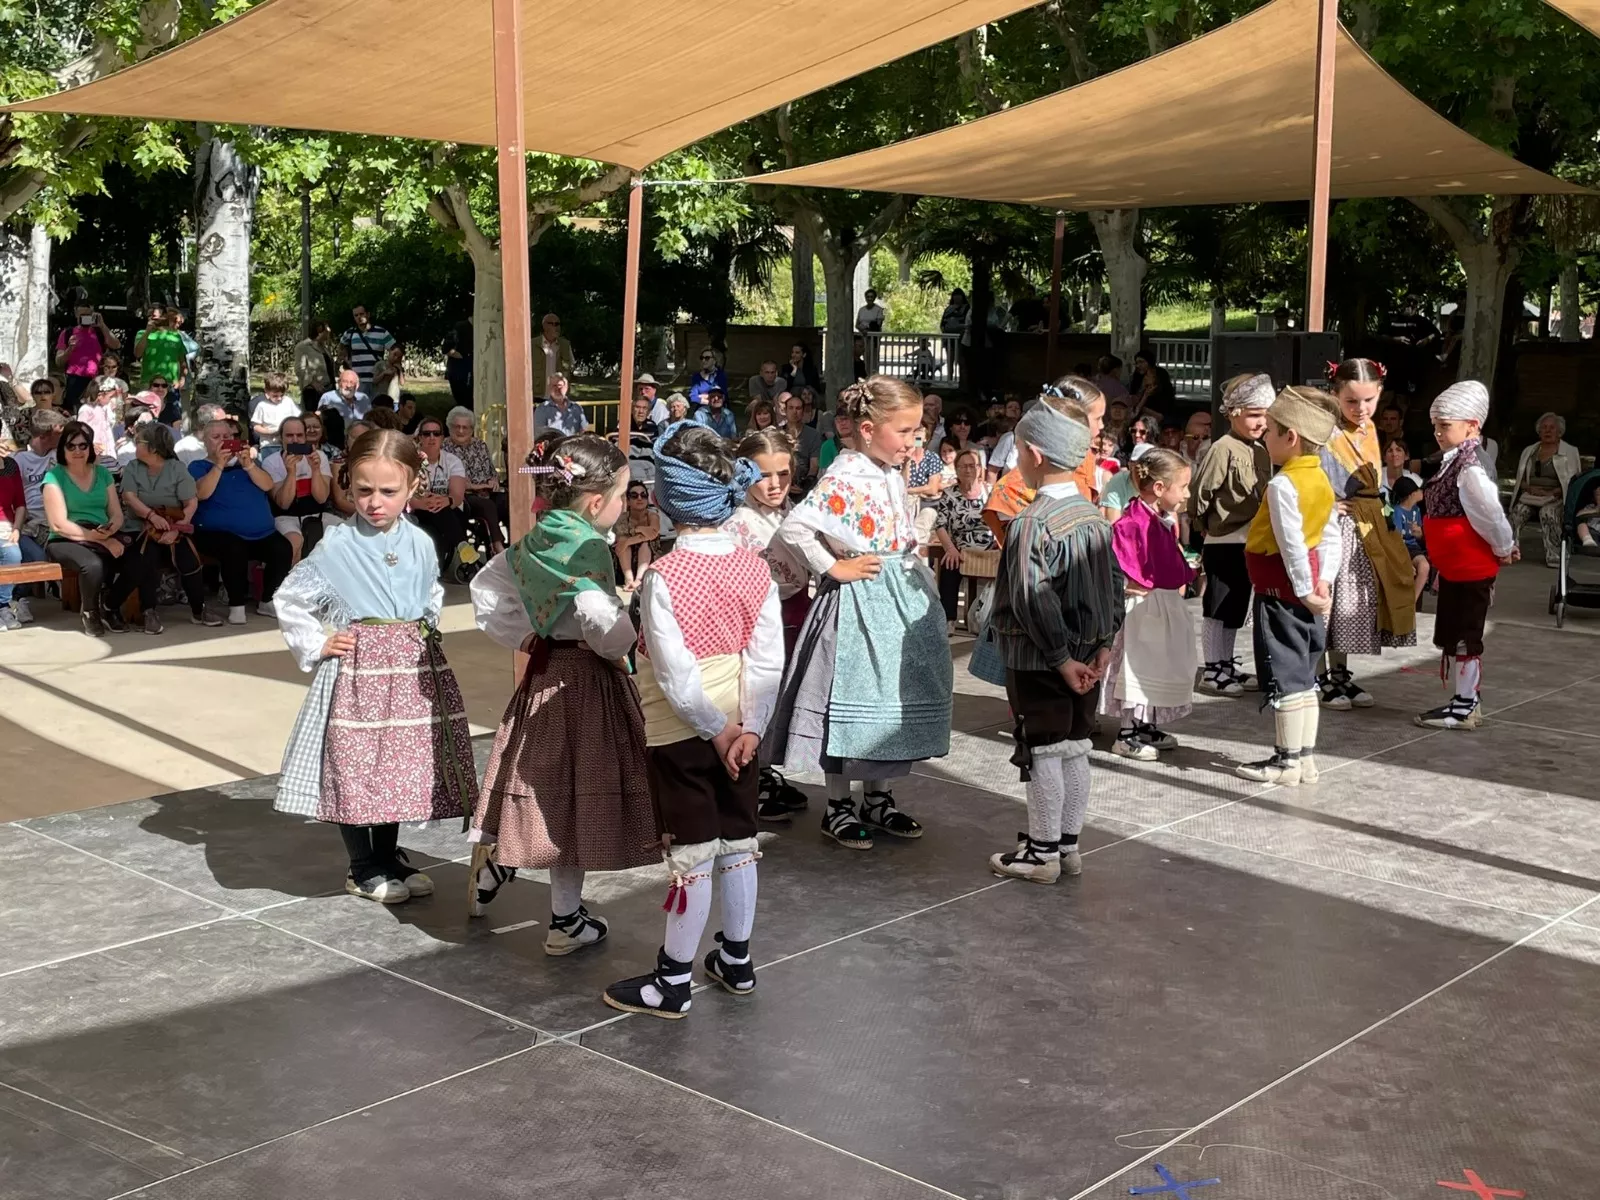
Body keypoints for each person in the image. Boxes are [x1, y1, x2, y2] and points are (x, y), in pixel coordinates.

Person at [602, 423, 783, 1019]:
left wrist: (716, 729)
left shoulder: (661, 578)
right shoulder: (754, 567)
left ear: (666, 498)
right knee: (739, 842)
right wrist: (748, 728)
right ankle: (737, 960)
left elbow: (676, 676)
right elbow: (765, 657)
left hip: (684, 732)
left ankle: (672, 980)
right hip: (741, 727)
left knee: (693, 854)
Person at [272, 429, 477, 904]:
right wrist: (320, 641)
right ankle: (361, 864)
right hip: (359, 670)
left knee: (398, 763)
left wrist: (423, 631)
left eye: (388, 491)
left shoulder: (421, 543)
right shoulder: (338, 545)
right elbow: (290, 597)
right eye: (364, 491)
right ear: (349, 486)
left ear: (412, 488)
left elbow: (430, 592)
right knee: (356, 762)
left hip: (410, 667)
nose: (375, 502)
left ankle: (387, 855)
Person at [467, 432, 655, 943]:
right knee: (576, 801)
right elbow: (601, 619)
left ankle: (500, 865)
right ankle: (565, 921)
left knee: (543, 786)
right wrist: (628, 630)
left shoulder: (536, 537)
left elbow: (486, 589)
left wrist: (526, 636)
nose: (625, 504)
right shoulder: (588, 545)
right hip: (588, 682)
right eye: (623, 495)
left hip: (546, 679)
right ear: (597, 502)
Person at [767, 377, 952, 850]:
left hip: (894, 596)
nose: (915, 441)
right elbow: (797, 525)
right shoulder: (847, 473)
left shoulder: (887, 470)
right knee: (847, 697)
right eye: (906, 431)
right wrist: (834, 566)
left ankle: (878, 797)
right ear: (868, 429)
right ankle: (838, 805)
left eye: (917, 432)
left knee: (887, 701)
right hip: (858, 601)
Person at [984, 390, 1122, 884]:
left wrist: (1061, 658)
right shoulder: (1094, 516)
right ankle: (1067, 846)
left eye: (1018, 452)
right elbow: (1114, 583)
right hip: (1090, 656)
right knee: (1076, 745)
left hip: (1041, 658)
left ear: (1034, 455)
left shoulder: (1030, 523)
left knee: (1043, 749)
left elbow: (1030, 597)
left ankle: (1040, 852)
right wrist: (1104, 643)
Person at [1235, 387, 1342, 786]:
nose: (1264, 436)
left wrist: (1304, 590)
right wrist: (1324, 582)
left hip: (1283, 596)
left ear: (1291, 437)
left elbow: (1291, 543)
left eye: (1271, 430)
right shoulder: (1321, 479)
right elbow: (1330, 537)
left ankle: (1285, 761)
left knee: (1284, 678)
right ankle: (1304, 759)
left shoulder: (1282, 485)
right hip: (1310, 592)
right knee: (1305, 676)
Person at [1415, 381, 1518, 731]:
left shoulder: (1471, 466)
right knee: (1455, 632)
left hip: (1470, 566)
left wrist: (1504, 547)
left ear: (1472, 425)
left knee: (1466, 635)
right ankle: (1464, 700)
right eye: (1436, 426)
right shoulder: (1455, 461)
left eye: (1445, 425)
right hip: (1456, 567)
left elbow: (1490, 514)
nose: (1438, 432)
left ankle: (1465, 704)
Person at [1317, 358, 1417, 710]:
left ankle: (1340, 673)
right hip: (1336, 525)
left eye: (1369, 401)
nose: (1361, 409)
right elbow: (1312, 479)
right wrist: (1328, 505)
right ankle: (1318, 676)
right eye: (1352, 401)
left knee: (1353, 603)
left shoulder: (1371, 430)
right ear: (1335, 395)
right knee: (1329, 599)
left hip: (1369, 522)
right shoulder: (1325, 431)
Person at [724, 428, 813, 823]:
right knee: (753, 695)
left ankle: (766, 769)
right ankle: (748, 777)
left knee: (781, 696)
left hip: (794, 610)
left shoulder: (792, 511)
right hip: (755, 619)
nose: (775, 484)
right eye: (764, 475)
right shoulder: (735, 521)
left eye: (783, 474)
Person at [1101, 448, 1197, 760]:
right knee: (1137, 669)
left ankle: (1145, 724)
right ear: (1159, 488)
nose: (1186, 494)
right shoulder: (1133, 523)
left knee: (1159, 665)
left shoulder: (1161, 520)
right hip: (1143, 607)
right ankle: (1128, 732)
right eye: (1182, 486)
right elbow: (1128, 565)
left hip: (1161, 604)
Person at [1189, 373, 1272, 696]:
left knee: (1236, 607)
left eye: (1265, 415)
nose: (1260, 422)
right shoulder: (1222, 448)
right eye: (1253, 415)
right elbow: (1200, 493)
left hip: (1250, 540)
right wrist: (1202, 527)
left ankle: (1225, 664)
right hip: (1222, 539)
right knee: (1217, 606)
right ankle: (1212, 669)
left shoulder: (1262, 451)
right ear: (1233, 413)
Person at [41, 420, 143, 637]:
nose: (78, 450)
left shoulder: (103, 473)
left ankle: (110, 606)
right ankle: (90, 612)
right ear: (62, 449)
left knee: (139, 561)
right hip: (64, 539)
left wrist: (111, 529)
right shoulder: (54, 476)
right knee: (93, 565)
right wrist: (100, 539)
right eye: (71, 446)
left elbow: (116, 513)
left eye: (83, 445)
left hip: (101, 532)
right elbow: (58, 523)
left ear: (90, 448)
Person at [190, 416, 295, 624]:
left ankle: (267, 600)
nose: (223, 440)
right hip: (216, 534)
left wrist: (248, 465)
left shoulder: (249, 464)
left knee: (282, 548)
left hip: (260, 533)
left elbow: (267, 485)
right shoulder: (198, 466)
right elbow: (201, 493)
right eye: (217, 437)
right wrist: (219, 465)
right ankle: (236, 605)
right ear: (206, 441)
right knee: (234, 548)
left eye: (228, 436)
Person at [119, 421, 221, 631]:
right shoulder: (132, 467)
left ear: (153, 448)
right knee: (149, 555)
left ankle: (198, 608)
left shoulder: (177, 468)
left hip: (173, 523)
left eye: (138, 442)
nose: (134, 445)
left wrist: (178, 528)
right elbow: (129, 497)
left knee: (188, 556)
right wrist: (150, 516)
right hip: (140, 527)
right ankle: (149, 610)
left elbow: (190, 502)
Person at [930, 446, 997, 629]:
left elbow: (1001, 521)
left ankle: (992, 619)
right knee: (949, 563)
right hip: (961, 550)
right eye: (963, 466)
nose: (968, 469)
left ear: (979, 468)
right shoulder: (950, 494)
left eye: (972, 465)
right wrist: (950, 548)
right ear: (957, 469)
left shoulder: (991, 492)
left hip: (990, 548)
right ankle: (949, 620)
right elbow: (940, 525)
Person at [1509, 412, 1581, 568]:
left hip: (1556, 496)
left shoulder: (1570, 451)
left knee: (1547, 513)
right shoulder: (1529, 451)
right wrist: (1530, 488)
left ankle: (1555, 554)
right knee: (1517, 512)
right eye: (1544, 428)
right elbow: (1520, 480)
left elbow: (1572, 482)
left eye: (1552, 428)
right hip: (1532, 495)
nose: (1548, 431)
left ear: (1559, 432)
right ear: (1539, 431)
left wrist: (1552, 493)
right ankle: (1509, 550)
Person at [264, 414, 333, 564]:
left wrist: (315, 470)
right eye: (289, 436)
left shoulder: (319, 457)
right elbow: (283, 504)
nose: (295, 440)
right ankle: (291, 584)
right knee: (294, 542)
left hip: (317, 512)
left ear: (305, 437)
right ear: (281, 438)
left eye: (299, 435)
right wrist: (291, 472)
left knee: (345, 534)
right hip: (286, 516)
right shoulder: (271, 462)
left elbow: (321, 498)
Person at [411, 415, 471, 575]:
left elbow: (457, 495)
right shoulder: (411, 461)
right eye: (426, 433)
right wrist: (425, 503)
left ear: (442, 438)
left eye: (436, 433)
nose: (432, 437)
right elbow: (409, 496)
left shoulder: (452, 461)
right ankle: (462, 544)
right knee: (433, 522)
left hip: (448, 508)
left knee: (438, 524)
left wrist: (445, 501)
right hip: (419, 509)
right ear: (420, 438)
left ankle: (435, 573)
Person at [446, 406, 505, 555]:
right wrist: (481, 486)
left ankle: (518, 543)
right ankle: (497, 546)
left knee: (508, 501)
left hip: (487, 492)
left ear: (472, 429)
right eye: (457, 427)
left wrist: (493, 481)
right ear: (450, 427)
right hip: (465, 496)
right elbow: (456, 482)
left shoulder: (480, 445)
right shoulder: (445, 448)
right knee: (487, 505)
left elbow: (492, 472)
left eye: (465, 427)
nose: (460, 431)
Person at [55, 299, 120, 406]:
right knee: (75, 410)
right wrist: (70, 349)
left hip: (98, 379)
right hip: (74, 380)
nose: (85, 318)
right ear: (76, 314)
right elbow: (59, 361)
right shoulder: (68, 333)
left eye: (88, 315)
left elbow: (116, 345)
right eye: (82, 315)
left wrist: (102, 325)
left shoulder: (99, 332)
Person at [1389, 477, 1431, 605]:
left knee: (1424, 567)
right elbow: (1397, 539)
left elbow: (1417, 536)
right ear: (1412, 494)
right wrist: (1405, 561)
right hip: (1401, 548)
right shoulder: (1397, 511)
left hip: (1413, 547)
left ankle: (1412, 602)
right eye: (1419, 490)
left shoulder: (1416, 510)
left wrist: (1419, 533)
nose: (1421, 492)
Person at [613, 479, 661, 590]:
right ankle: (629, 579)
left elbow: (653, 533)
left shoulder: (652, 515)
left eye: (643, 495)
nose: (639, 498)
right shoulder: (623, 518)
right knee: (624, 540)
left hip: (649, 556)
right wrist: (642, 533)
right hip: (625, 560)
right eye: (634, 495)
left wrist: (635, 533)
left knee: (644, 543)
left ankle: (639, 580)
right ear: (628, 501)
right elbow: (620, 546)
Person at [133, 306, 187, 406]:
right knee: (146, 416)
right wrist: (148, 331)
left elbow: (182, 361)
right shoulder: (141, 333)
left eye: (154, 316)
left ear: (164, 317)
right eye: (149, 316)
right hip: (148, 382)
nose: (151, 318)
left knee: (171, 417)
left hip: (170, 384)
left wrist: (182, 379)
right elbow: (137, 354)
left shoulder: (176, 335)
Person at [338, 305, 397, 393]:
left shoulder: (382, 332)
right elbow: (341, 348)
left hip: (378, 380)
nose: (359, 317)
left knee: (377, 406)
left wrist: (391, 367)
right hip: (357, 381)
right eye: (356, 315)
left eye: (361, 314)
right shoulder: (349, 333)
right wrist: (347, 361)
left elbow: (396, 351)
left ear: (368, 314)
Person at [77, 375, 125, 470]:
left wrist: (119, 396)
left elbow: (118, 415)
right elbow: (80, 430)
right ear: (99, 395)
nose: (112, 400)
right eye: (110, 397)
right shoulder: (86, 409)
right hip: (94, 446)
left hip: (106, 444)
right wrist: (91, 443)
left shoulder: (105, 408)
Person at [779, 392, 821, 487]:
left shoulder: (813, 434)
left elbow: (814, 465)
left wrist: (805, 483)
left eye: (798, 408)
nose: (795, 412)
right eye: (791, 408)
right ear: (785, 410)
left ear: (803, 411)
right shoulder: (777, 434)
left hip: (803, 481)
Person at [292, 320, 336, 411]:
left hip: (329, 389)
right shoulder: (303, 347)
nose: (329, 331)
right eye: (327, 329)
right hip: (313, 392)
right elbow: (299, 369)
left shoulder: (324, 348)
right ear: (319, 331)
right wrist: (312, 382)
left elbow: (329, 367)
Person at [250, 372, 302, 447]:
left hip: (288, 444)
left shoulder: (288, 401)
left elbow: (297, 419)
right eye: (275, 396)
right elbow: (256, 426)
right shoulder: (262, 406)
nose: (279, 398)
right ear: (267, 391)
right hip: (269, 444)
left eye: (282, 395)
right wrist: (269, 432)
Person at [532, 313, 575, 400]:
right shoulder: (532, 344)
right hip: (537, 396)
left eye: (558, 324)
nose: (557, 327)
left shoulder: (565, 345)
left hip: (558, 396)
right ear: (544, 326)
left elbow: (571, 366)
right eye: (553, 324)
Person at [533, 372, 587, 437]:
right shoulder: (542, 409)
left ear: (566, 387)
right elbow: (539, 434)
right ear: (549, 388)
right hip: (554, 446)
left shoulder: (576, 408)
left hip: (573, 445)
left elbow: (584, 431)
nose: (557, 389)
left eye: (560, 385)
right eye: (554, 386)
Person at [442, 319, 473, 408]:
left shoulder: (482, 327)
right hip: (459, 372)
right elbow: (446, 349)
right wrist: (464, 357)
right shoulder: (460, 327)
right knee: (464, 403)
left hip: (471, 371)